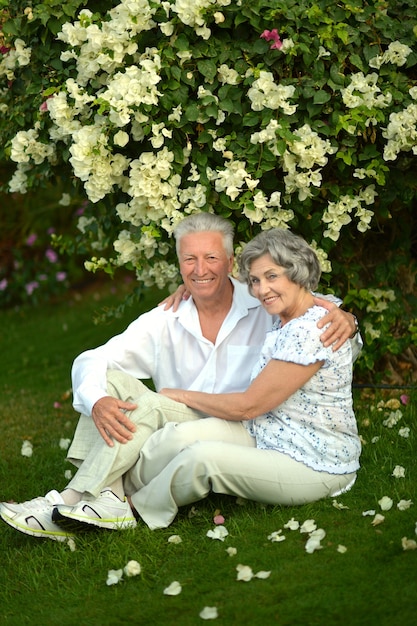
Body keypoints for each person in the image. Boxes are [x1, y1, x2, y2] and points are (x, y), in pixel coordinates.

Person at [0, 214, 360, 540]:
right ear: (180, 266)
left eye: (211, 258)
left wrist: (349, 320)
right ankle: (101, 497)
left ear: (229, 263)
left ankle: (76, 501)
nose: (200, 269)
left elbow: (318, 327)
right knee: (112, 385)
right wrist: (96, 401)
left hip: (248, 423)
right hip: (231, 424)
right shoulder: (167, 317)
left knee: (179, 440)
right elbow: (93, 359)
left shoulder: (265, 307)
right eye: (190, 260)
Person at [90, 228, 361, 530]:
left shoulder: (311, 330)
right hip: (268, 432)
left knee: (203, 458)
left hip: (315, 461)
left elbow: (248, 407)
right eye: (255, 281)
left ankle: (129, 509)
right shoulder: (285, 315)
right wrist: (194, 291)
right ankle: (106, 490)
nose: (261, 290)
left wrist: (182, 395)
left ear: (297, 273)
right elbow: (316, 302)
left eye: (272, 277)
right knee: (178, 437)